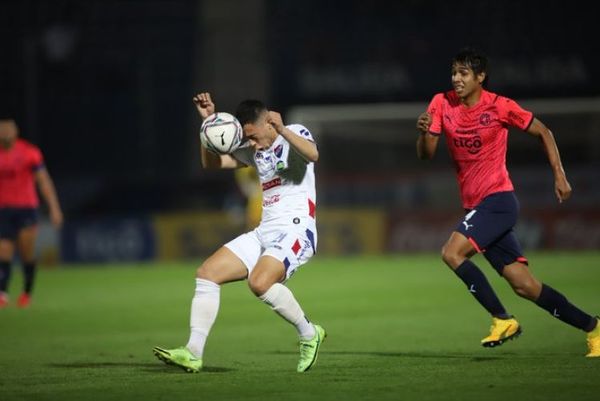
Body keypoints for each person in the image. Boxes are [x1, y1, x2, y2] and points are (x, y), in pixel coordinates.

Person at [415, 48, 599, 357]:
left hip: (498, 200)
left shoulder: (499, 106)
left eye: (463, 73)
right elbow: (426, 154)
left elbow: (543, 131)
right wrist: (421, 134)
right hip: (475, 207)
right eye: (454, 73)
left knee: (451, 252)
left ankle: (502, 319)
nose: (456, 79)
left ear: (480, 77)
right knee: (524, 285)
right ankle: (593, 327)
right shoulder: (440, 103)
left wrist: (560, 175)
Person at [153, 92, 325, 372]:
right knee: (207, 274)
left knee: (259, 283)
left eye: (254, 136)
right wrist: (207, 125)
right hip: (265, 231)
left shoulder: (293, 132)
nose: (253, 144)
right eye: (249, 139)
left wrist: (282, 129)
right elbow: (212, 164)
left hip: (296, 230)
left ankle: (309, 334)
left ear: (269, 122)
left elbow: (313, 154)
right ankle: (193, 352)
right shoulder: (254, 150)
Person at [0, 117, 63, 308]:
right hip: (3, 209)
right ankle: (2, 293)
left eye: (8, 129)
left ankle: (26, 292)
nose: (5, 133)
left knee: (26, 252)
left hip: (26, 208)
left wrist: (54, 208)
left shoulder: (29, 153)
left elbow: (43, 181)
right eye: (2, 129)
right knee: (3, 252)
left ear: (16, 131)